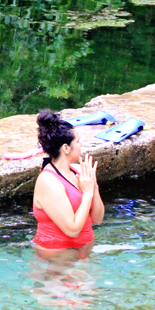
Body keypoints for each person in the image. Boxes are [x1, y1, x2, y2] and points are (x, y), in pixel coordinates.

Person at [32, 110, 105, 257]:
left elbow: (97, 219)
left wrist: (93, 187)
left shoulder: (77, 171)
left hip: (84, 250)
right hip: (56, 257)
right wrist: (87, 193)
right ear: (66, 148)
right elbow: (72, 230)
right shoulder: (48, 181)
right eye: (77, 141)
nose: (81, 145)